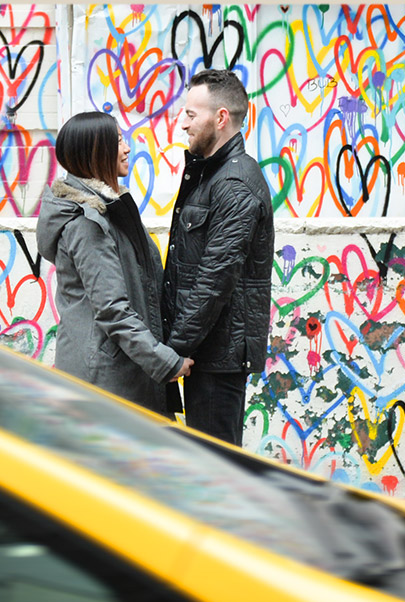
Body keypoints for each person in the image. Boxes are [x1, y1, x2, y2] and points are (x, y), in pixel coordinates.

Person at [36, 111, 192, 416]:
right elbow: (112, 310)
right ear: (96, 150)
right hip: (105, 378)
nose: (127, 147)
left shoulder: (107, 210)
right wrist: (165, 361)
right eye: (118, 140)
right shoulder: (87, 222)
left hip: (114, 369)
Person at [163, 68, 275, 445]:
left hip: (216, 358)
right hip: (205, 354)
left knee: (217, 472)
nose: (183, 125)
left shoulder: (234, 183)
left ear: (221, 118)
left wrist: (170, 353)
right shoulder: (210, 175)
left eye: (191, 115)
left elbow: (214, 281)